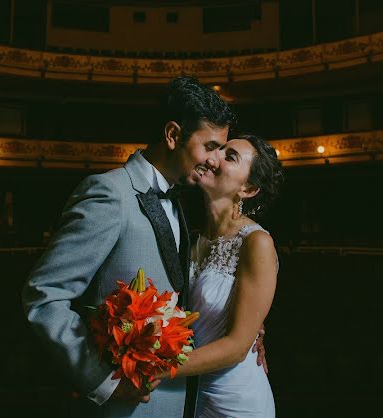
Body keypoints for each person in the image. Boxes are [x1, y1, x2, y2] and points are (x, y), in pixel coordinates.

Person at [22, 77, 265, 417]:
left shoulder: (181, 204)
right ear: (172, 135)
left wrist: (248, 328)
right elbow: (44, 294)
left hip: (187, 403)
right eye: (209, 146)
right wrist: (103, 380)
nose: (214, 161)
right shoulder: (110, 193)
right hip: (126, 407)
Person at [154, 134, 283, 417]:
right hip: (190, 396)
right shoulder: (188, 238)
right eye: (217, 150)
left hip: (237, 400)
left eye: (230, 156)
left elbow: (237, 347)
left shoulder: (256, 242)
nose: (213, 158)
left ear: (248, 188)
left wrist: (154, 368)